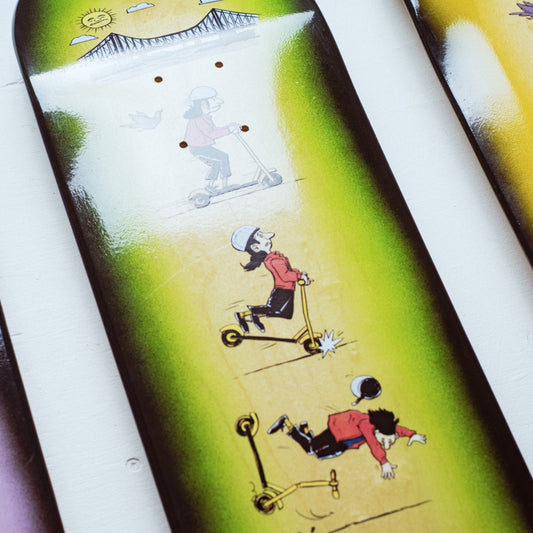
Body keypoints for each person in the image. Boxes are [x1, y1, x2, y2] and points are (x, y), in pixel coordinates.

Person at [267, 408, 426, 480]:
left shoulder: (383, 427)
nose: (387, 445)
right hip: (337, 433)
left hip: (343, 443)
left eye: (389, 442)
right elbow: (373, 443)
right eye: (385, 441)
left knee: (317, 453)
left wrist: (412, 434)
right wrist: (383, 461)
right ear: (378, 431)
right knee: (311, 449)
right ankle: (288, 424)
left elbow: (396, 429)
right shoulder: (367, 426)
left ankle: (304, 430)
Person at [231, 226, 311, 333]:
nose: (266, 236)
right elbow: (285, 275)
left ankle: (253, 314)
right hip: (282, 291)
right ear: (255, 247)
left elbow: (288, 270)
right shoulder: (273, 261)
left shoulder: (274, 257)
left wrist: (300, 274)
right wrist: (299, 276)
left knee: (284, 313)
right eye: (260, 235)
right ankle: (245, 314)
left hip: (288, 290)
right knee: (276, 310)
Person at [183, 86, 238, 193]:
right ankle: (224, 185)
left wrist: (227, 127)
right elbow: (211, 134)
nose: (219, 102)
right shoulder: (199, 119)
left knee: (217, 162)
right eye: (213, 99)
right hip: (198, 148)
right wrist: (228, 130)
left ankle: (210, 186)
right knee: (222, 158)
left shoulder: (204, 117)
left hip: (201, 147)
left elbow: (213, 130)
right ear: (203, 103)